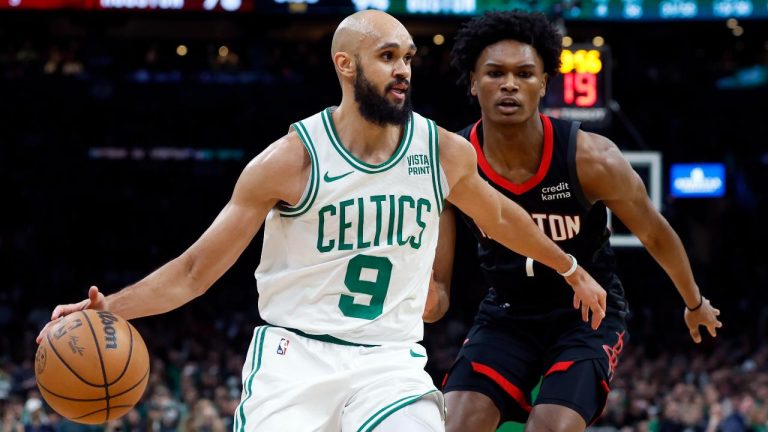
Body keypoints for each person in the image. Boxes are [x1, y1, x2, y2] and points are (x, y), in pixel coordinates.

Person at [36, 10, 608, 432]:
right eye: (388, 56)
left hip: (389, 359)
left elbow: (503, 216)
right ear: (345, 64)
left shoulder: (440, 151)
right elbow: (193, 271)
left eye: (408, 57)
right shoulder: (292, 160)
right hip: (295, 357)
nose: (403, 69)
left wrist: (570, 267)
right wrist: (109, 307)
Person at [437, 11, 724, 432]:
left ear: (544, 85)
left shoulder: (591, 158)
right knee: (455, 423)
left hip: (586, 316)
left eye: (525, 73)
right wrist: (432, 298)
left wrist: (694, 302)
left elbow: (655, 233)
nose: (510, 84)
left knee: (549, 427)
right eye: (495, 73)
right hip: (506, 313)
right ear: (473, 83)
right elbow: (438, 277)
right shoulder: (453, 161)